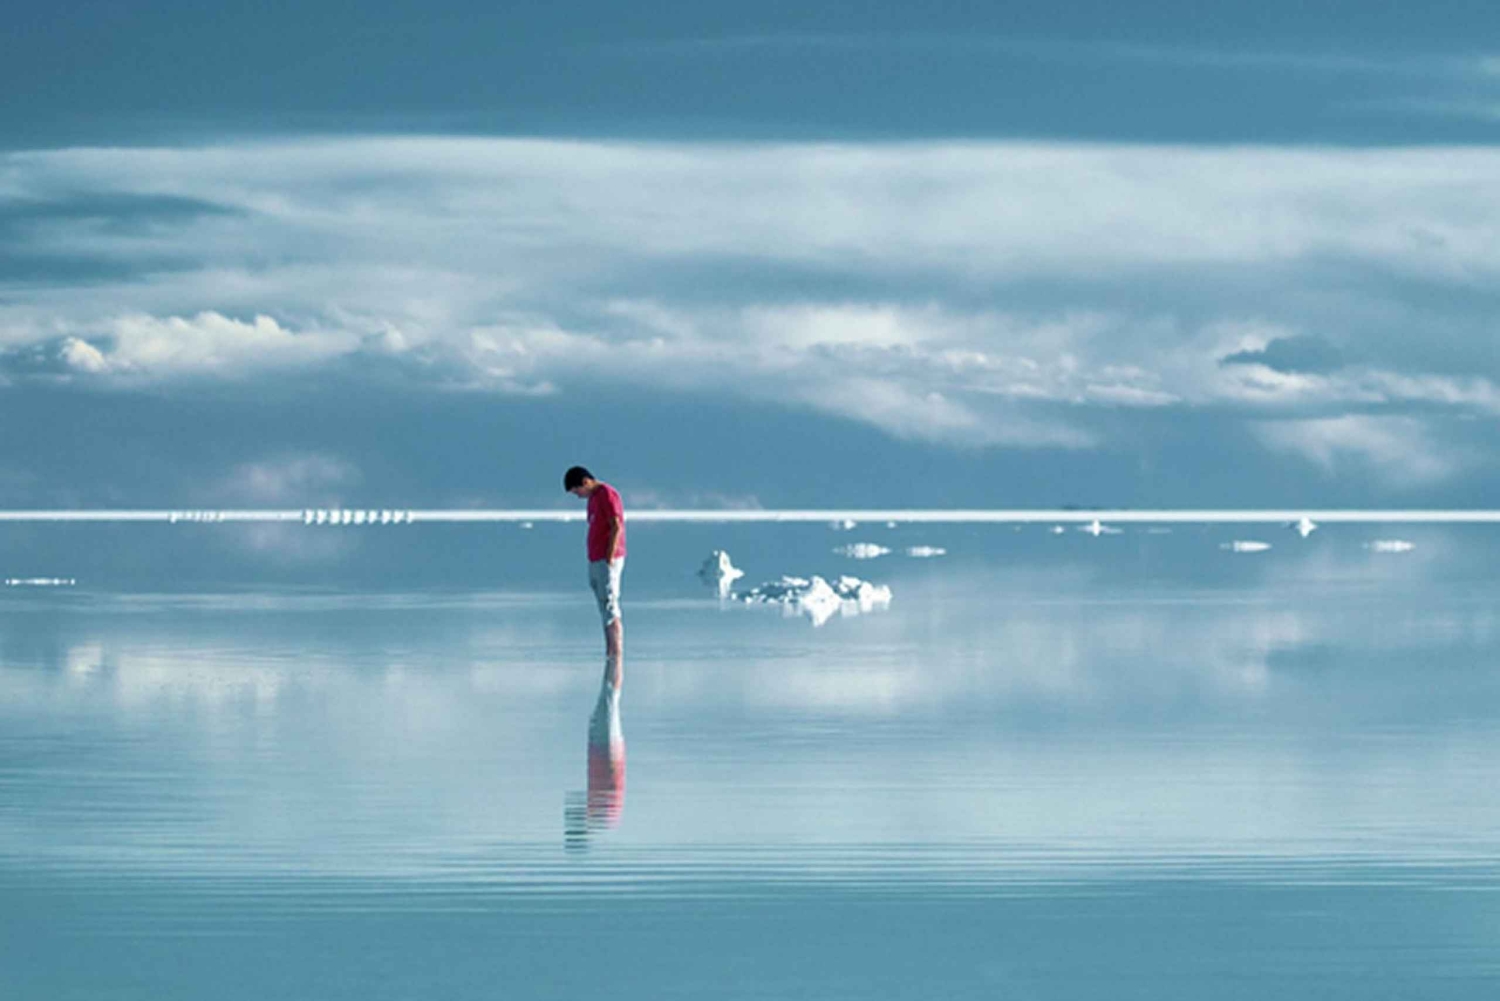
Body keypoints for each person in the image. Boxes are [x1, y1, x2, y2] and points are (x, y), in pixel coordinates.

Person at [564, 465, 626, 676]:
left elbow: (616, 525)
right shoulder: (593, 498)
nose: (578, 496)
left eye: (576, 491)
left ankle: (616, 653)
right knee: (602, 604)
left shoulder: (607, 494)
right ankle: (609, 650)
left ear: (585, 482)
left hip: (607, 559)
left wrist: (609, 556)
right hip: (595, 559)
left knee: (610, 603)